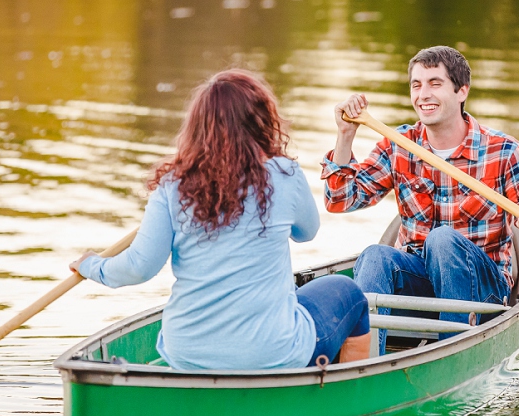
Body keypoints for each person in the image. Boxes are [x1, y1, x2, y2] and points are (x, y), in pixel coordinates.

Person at [71, 69, 370, 371]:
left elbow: (138, 267)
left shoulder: (172, 186)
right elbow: (308, 232)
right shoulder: (284, 173)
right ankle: (352, 398)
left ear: (197, 128)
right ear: (262, 121)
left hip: (187, 353)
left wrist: (91, 265)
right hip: (273, 352)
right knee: (352, 295)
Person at [321, 45, 519, 354]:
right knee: (375, 255)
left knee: (443, 240)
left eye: (435, 83)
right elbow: (339, 200)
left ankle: (451, 354)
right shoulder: (399, 145)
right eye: (416, 85)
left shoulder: (503, 151)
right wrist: (345, 135)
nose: (423, 94)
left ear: (462, 91)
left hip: (484, 292)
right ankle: (362, 363)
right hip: (421, 287)